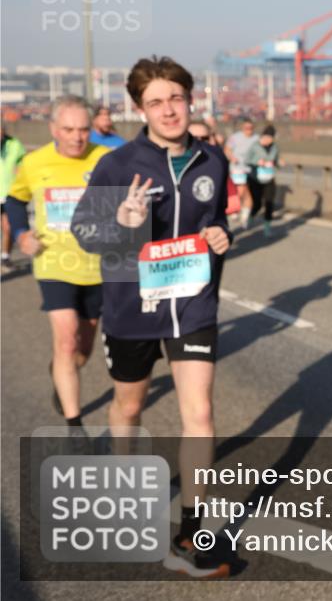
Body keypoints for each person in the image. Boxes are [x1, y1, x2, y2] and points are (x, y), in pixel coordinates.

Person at [71, 56, 232, 578]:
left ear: (191, 100)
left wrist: (220, 237)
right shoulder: (119, 165)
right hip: (131, 306)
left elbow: (217, 219)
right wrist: (121, 221)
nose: (169, 110)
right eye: (156, 102)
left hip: (193, 304)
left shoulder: (212, 160)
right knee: (129, 405)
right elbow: (85, 232)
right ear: (140, 108)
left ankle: (192, 534)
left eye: (176, 99)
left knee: (200, 413)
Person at [6, 97, 110, 428]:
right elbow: (15, 198)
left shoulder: (108, 160)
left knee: (82, 350)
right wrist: (22, 233)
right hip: (53, 263)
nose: (77, 138)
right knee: (66, 339)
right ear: (53, 129)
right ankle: (74, 424)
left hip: (97, 267)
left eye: (83, 130)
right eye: (68, 129)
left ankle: (60, 371)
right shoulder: (35, 162)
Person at [1, 122, 27, 268]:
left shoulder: (14, 145)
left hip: (8, 193)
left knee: (8, 227)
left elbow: (23, 164)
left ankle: (5, 256)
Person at [247, 125, 281, 237]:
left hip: (269, 178)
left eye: (271, 138)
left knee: (269, 202)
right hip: (255, 178)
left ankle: (267, 227)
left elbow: (275, 160)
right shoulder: (254, 146)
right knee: (257, 203)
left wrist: (279, 163)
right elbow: (247, 160)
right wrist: (257, 162)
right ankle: (251, 216)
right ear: (263, 136)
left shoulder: (274, 147)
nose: (269, 141)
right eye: (267, 138)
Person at [224, 117, 257, 229]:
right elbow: (227, 150)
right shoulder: (235, 137)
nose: (249, 130)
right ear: (243, 128)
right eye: (246, 128)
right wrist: (232, 158)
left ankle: (244, 216)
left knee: (249, 195)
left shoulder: (256, 138)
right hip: (237, 168)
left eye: (251, 128)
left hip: (252, 170)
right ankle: (236, 210)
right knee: (241, 190)